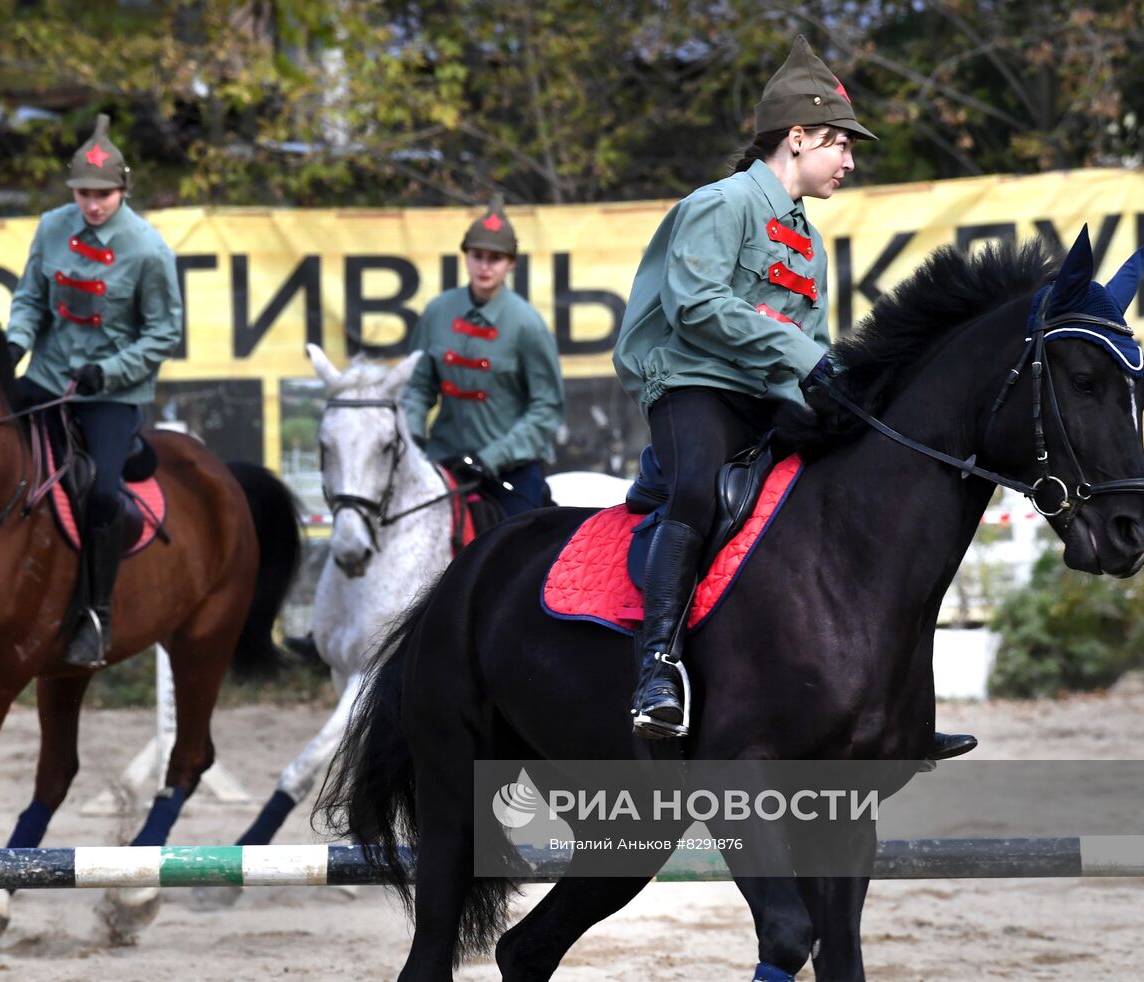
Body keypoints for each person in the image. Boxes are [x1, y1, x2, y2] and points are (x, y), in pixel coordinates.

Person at [612, 37, 976, 760]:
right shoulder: (720, 204)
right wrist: (809, 360)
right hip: (692, 385)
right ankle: (656, 670)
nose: (848, 161)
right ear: (797, 137)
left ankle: (890, 703)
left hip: (763, 395)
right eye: (840, 144)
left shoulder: (806, 243)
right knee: (696, 492)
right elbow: (697, 306)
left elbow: (804, 341)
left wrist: (843, 388)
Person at [5, 113, 182, 668]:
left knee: (103, 492)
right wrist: (14, 345)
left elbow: (164, 333)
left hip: (111, 391)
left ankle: (96, 613)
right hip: (47, 375)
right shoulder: (50, 227)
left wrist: (112, 371)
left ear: (122, 190)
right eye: (84, 193)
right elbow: (31, 297)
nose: (93, 204)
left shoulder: (149, 250)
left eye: (104, 194)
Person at [402, 196, 565, 517]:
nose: (485, 266)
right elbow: (418, 387)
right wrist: (413, 436)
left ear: (511, 263)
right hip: (441, 465)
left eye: (496, 258)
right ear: (465, 258)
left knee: (522, 554)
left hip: (507, 472)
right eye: (477, 256)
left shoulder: (527, 324)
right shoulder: (437, 312)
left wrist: (490, 458)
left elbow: (546, 409)